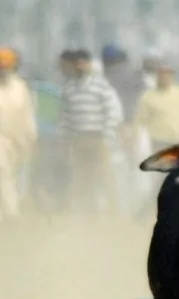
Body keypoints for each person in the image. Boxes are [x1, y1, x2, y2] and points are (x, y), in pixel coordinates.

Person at [58, 49, 123, 215]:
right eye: (77, 63)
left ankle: (114, 215)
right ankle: (87, 215)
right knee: (81, 180)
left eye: (83, 63)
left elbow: (113, 112)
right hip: (79, 140)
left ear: (88, 65)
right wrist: (65, 140)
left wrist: (107, 135)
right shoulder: (70, 88)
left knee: (106, 179)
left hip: (98, 138)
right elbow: (65, 117)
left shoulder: (100, 86)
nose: (79, 67)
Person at [0, 48, 37, 220]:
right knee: (3, 172)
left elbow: (27, 114)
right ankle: (11, 213)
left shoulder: (20, 87)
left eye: (5, 66)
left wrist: (32, 138)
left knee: (11, 176)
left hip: (17, 142)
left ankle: (11, 211)